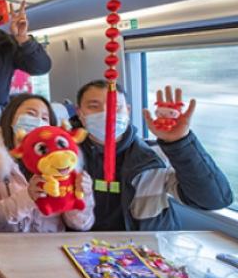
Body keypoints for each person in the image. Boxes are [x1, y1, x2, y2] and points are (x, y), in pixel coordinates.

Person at [74, 80, 232, 231]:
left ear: (127, 111)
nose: (106, 113)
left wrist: (180, 143)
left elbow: (213, 200)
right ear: (79, 113)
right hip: (81, 247)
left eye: (116, 106)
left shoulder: (156, 156)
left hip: (147, 247)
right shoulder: (65, 159)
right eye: (94, 106)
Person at [0, 94, 94, 278]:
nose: (38, 122)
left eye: (44, 118)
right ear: (10, 120)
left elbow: (81, 225)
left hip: (51, 270)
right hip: (5, 274)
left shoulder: (63, 163)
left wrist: (82, 195)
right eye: (30, 114)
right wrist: (28, 197)